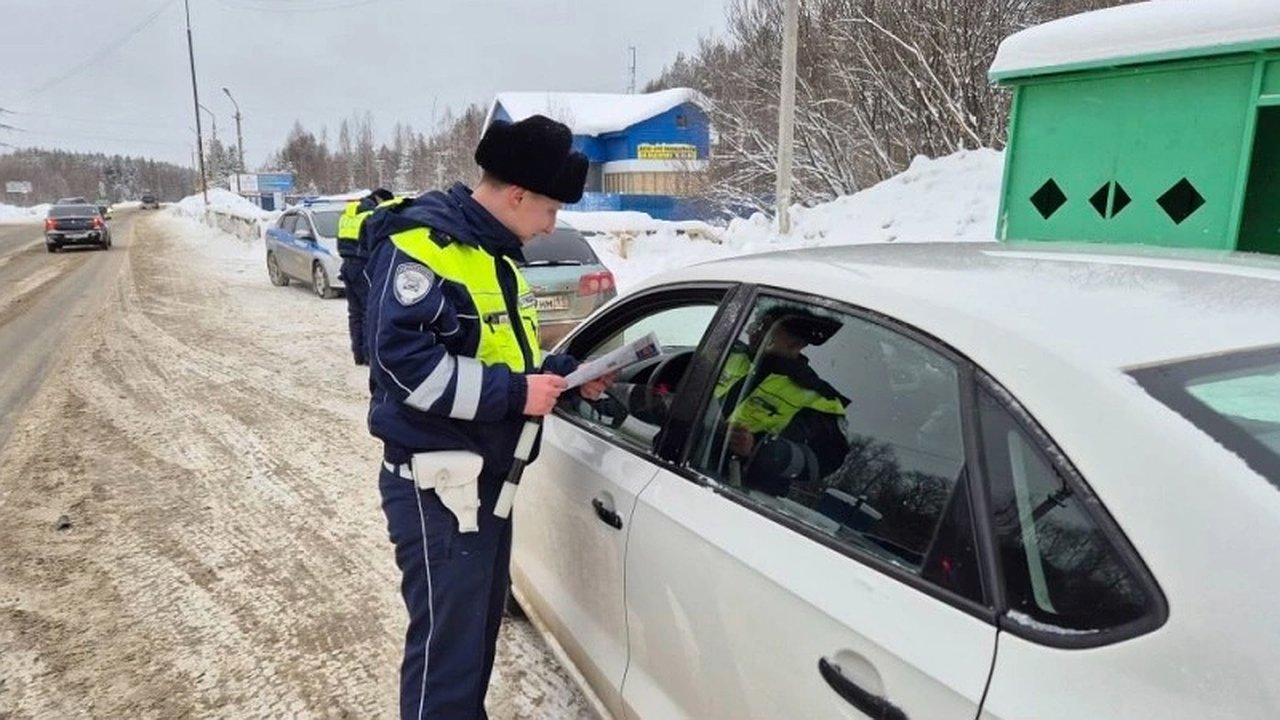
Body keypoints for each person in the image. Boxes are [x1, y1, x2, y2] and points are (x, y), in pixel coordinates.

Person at [361, 114, 612, 720]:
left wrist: (566, 374)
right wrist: (515, 395)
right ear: (518, 195)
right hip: (440, 487)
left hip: (485, 481)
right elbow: (404, 367)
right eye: (550, 210)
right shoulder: (424, 247)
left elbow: (502, 356)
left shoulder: (494, 256)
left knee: (472, 639)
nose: (552, 226)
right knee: (448, 652)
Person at [713, 304, 851, 497]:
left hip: (740, 497)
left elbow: (823, 463)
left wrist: (760, 449)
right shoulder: (726, 355)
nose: (751, 329)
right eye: (756, 321)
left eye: (764, 326)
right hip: (673, 465)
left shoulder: (818, 399)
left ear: (795, 343)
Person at [336, 187, 395, 365]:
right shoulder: (370, 215)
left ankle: (359, 354)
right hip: (363, 267)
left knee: (355, 312)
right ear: (381, 200)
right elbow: (374, 244)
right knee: (370, 311)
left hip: (347, 265)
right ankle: (370, 355)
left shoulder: (348, 213)